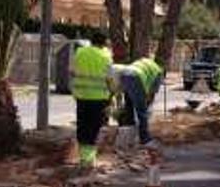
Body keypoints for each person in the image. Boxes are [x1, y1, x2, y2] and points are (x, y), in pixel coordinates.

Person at [70, 31, 113, 169]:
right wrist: (112, 96)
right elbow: (110, 79)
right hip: (99, 98)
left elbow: (72, 71)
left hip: (81, 96)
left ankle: (84, 159)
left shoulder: (80, 52)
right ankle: (89, 160)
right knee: (93, 128)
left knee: (82, 126)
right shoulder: (106, 56)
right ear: (104, 43)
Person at [110, 57, 164, 150]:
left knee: (129, 106)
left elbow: (120, 91)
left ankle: (128, 135)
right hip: (135, 77)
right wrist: (146, 107)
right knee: (141, 111)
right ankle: (145, 140)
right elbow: (151, 95)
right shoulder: (159, 72)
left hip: (125, 75)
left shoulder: (145, 63)